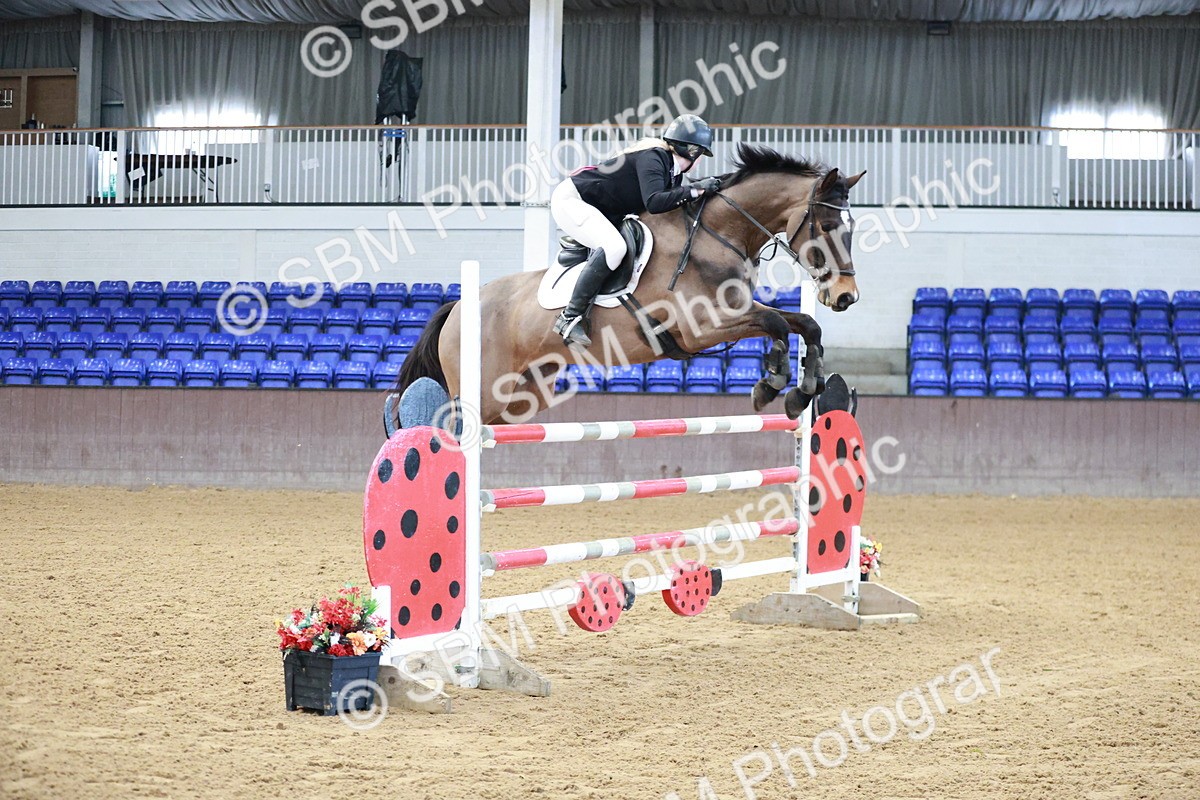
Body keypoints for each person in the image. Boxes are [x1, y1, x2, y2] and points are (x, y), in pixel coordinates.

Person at [549, 114, 719, 349]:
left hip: (600, 210)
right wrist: (696, 190)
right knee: (615, 247)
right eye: (701, 155)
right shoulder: (655, 157)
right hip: (572, 201)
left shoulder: (673, 174)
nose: (700, 161)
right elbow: (654, 203)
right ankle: (570, 317)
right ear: (692, 151)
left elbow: (668, 207)